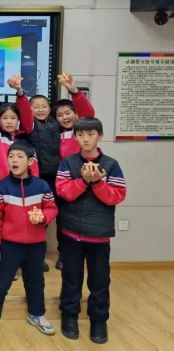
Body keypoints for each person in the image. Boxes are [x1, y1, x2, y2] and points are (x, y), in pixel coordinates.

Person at [56, 117, 126, 345]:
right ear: (75, 137)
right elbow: (63, 192)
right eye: (81, 135)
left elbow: (117, 196)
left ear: (100, 136)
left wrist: (97, 183)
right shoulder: (67, 163)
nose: (86, 139)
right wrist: (84, 181)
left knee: (99, 280)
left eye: (91, 134)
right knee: (71, 278)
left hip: (99, 235)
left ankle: (98, 319)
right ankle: (69, 315)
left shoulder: (111, 165)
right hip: (71, 232)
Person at [0, 142, 58, 339]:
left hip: (36, 245)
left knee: (36, 283)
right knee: (0, 283)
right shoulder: (0, 187)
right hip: (9, 245)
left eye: (19, 156)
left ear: (30, 161)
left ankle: (37, 315)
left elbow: (52, 208)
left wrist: (43, 217)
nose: (14, 160)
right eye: (11, 156)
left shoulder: (42, 186)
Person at [0, 73, 38, 278]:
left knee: (13, 227)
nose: (10, 121)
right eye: (5, 118)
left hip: (20, 191)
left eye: (13, 118)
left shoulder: (24, 138)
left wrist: (19, 91)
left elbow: (28, 117)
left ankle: (12, 262)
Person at [52, 73, 95, 270]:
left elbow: (88, 112)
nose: (64, 117)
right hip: (64, 185)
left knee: (81, 218)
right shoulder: (56, 135)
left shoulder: (81, 132)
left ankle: (80, 254)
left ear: (76, 114)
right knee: (63, 221)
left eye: (68, 113)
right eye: (59, 115)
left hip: (84, 182)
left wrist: (73, 90)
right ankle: (63, 254)